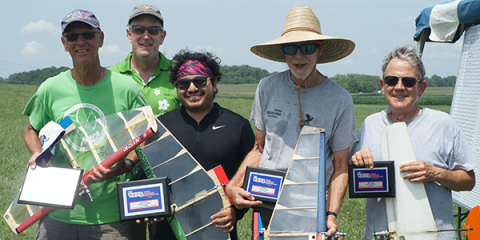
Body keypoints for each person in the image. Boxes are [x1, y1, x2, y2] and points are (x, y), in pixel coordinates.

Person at [225, 5, 357, 238]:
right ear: (282, 52)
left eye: (307, 48)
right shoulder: (267, 86)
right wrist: (233, 187)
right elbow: (259, 148)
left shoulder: (340, 99)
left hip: (311, 206)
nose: (298, 56)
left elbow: (340, 166)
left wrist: (331, 214)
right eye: (290, 48)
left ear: (320, 50)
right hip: (264, 199)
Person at [23, 9, 146, 239]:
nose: (81, 41)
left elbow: (145, 137)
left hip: (109, 216)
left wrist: (126, 163)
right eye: (72, 37)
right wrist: (37, 153)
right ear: (64, 43)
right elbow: (31, 128)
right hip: (56, 213)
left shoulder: (126, 88)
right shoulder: (51, 88)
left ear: (100, 39)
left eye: (88, 34)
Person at [350, 45, 476, 240]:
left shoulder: (443, 124)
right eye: (392, 80)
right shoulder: (370, 124)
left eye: (408, 82)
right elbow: (353, 179)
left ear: (421, 87)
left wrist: (435, 173)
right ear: (383, 85)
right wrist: (357, 162)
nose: (399, 87)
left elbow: (468, 181)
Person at [154, 50, 254, 240]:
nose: (192, 88)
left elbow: (250, 178)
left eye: (200, 81)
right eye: (183, 83)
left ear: (214, 83)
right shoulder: (162, 126)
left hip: (220, 230)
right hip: (169, 232)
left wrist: (235, 212)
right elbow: (147, 175)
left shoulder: (237, 125)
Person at [110, 5, 180, 118]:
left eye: (153, 30)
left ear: (162, 36)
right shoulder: (110, 77)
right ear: (129, 34)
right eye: (138, 30)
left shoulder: (180, 73)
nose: (146, 36)